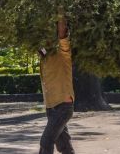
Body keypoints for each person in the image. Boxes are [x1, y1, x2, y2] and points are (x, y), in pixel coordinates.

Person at [39, 15, 75, 154]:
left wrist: (59, 11)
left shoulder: (63, 52)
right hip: (51, 107)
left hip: (63, 106)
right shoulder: (44, 56)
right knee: (64, 145)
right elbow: (40, 48)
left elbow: (62, 34)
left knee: (46, 142)